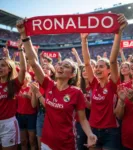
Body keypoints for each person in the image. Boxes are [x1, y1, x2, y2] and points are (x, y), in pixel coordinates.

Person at [16, 19, 97, 150]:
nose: (60, 66)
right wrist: (25, 36)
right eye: (59, 64)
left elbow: (82, 119)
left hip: (67, 144)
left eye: (66, 66)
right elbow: (34, 62)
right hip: (46, 142)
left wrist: (90, 134)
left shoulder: (76, 92)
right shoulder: (48, 84)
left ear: (72, 74)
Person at [81, 14, 128, 150]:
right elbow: (87, 63)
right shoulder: (94, 83)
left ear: (109, 70)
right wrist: (84, 40)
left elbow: (113, 60)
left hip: (111, 132)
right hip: (93, 129)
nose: (97, 69)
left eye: (101, 66)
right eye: (97, 67)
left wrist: (118, 32)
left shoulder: (113, 84)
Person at [0, 48, 26, 150]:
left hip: (8, 125)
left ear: (10, 68)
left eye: (3, 65)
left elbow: (23, 69)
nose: (0, 68)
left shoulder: (14, 84)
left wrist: (21, 50)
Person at [16, 72, 37, 150]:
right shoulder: (17, 88)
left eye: (26, 78)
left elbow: (35, 104)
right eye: (22, 78)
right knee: (23, 141)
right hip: (20, 116)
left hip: (31, 116)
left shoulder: (32, 88)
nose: (24, 80)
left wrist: (29, 96)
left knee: (32, 140)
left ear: (29, 79)